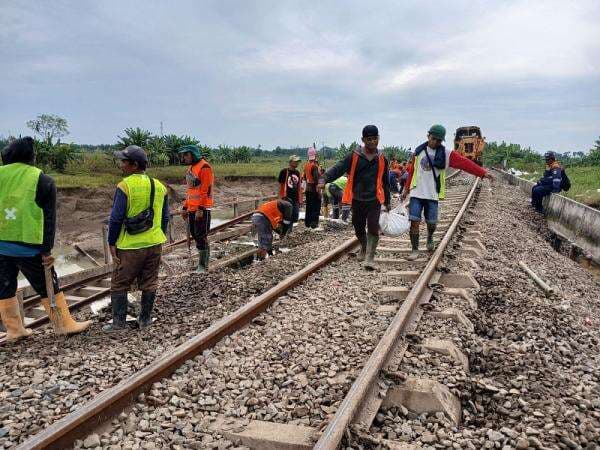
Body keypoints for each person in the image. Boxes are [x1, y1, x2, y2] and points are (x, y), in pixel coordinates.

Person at [0, 137, 91, 340]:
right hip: (29, 246)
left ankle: (14, 330)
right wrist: (47, 250)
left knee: (4, 286)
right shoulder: (42, 180)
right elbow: (49, 219)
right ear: (31, 157)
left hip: (1, 245)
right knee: (48, 283)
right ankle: (63, 324)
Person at [402, 124, 494, 260]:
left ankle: (430, 236)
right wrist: (406, 190)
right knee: (414, 221)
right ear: (428, 136)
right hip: (416, 193)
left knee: (431, 223)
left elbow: (465, 163)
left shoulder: (446, 154)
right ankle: (415, 250)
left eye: (439, 140)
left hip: (432, 194)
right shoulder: (418, 152)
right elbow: (412, 171)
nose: (435, 142)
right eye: (433, 139)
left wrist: (482, 173)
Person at [105, 145, 169, 331]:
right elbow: (165, 217)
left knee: (119, 283)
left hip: (130, 245)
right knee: (150, 281)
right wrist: (159, 236)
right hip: (154, 244)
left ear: (134, 165)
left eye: (124, 161)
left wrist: (112, 242)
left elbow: (116, 218)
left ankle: (119, 323)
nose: (121, 165)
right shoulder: (159, 186)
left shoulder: (125, 186)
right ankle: (145, 320)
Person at [322, 125, 390, 270]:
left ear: (379, 138)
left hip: (375, 199)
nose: (372, 142)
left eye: (375, 138)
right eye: (369, 139)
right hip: (357, 199)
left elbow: (386, 182)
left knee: (373, 227)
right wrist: (323, 179)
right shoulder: (354, 156)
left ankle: (370, 258)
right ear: (363, 140)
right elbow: (338, 168)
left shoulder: (382, 158)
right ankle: (364, 246)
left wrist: (388, 201)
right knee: (358, 227)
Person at [179, 144, 214, 272]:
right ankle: (202, 262)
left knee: (201, 235)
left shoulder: (204, 167)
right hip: (192, 208)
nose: (184, 157)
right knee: (196, 235)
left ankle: (203, 266)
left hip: (202, 208)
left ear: (193, 154)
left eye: (186, 155)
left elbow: (205, 189)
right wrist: (185, 207)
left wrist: (200, 208)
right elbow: (191, 191)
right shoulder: (191, 168)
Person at [277, 155, 303, 225]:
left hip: (295, 198)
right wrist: (279, 198)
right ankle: (286, 232)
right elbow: (280, 185)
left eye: (298, 162)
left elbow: (299, 187)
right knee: (287, 217)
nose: (297, 163)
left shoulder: (297, 173)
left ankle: (288, 231)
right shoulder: (284, 172)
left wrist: (300, 199)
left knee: (295, 216)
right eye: (295, 161)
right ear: (290, 162)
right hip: (286, 198)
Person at [303, 147, 321, 229]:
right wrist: (319, 191)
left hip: (308, 188)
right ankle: (314, 223)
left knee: (309, 206)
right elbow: (317, 180)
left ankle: (307, 223)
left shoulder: (306, 165)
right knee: (316, 206)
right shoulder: (314, 167)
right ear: (315, 155)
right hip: (314, 188)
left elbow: (304, 177)